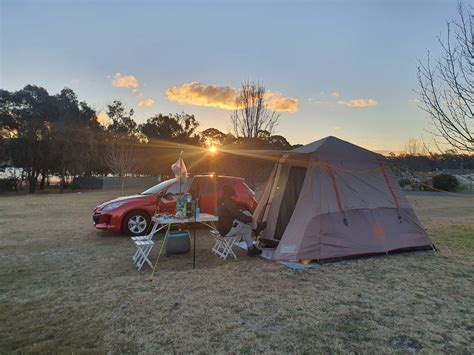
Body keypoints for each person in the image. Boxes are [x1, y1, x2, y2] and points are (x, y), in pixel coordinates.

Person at [217, 185, 266, 256]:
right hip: (228, 230)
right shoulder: (228, 202)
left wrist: (241, 213)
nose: (235, 197)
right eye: (234, 195)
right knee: (246, 214)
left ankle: (251, 249)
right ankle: (256, 227)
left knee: (247, 230)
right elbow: (238, 215)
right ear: (231, 194)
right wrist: (250, 219)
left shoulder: (222, 201)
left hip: (222, 229)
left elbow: (232, 213)